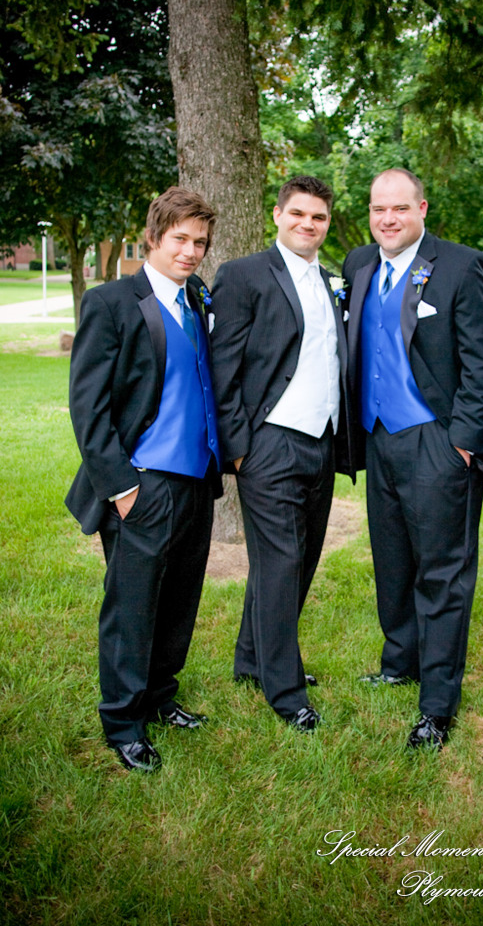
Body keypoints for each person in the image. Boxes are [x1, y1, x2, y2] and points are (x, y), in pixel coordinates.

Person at [66, 187, 221, 772]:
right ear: (153, 237)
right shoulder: (112, 302)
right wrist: (122, 486)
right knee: (132, 606)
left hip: (196, 478)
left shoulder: (197, 296)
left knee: (179, 598)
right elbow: (88, 405)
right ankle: (123, 721)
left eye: (199, 242)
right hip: (143, 482)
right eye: (179, 238)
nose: (190, 251)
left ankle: (160, 697)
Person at [342, 168, 483, 749]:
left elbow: (479, 364)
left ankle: (438, 702)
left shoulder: (459, 265)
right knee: (393, 560)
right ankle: (398, 660)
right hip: (378, 438)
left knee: (443, 572)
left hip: (436, 439)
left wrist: (463, 440)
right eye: (379, 208)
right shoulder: (359, 265)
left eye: (400, 208)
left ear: (422, 208)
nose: (388, 219)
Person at [210, 175, 354, 732]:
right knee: (281, 562)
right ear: (277, 215)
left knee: (304, 557)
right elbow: (224, 367)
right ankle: (285, 689)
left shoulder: (332, 278)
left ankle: (254, 659)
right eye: (297, 214)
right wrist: (240, 449)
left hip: (322, 440)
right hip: (268, 444)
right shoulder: (243, 275)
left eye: (318, 217)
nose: (307, 224)